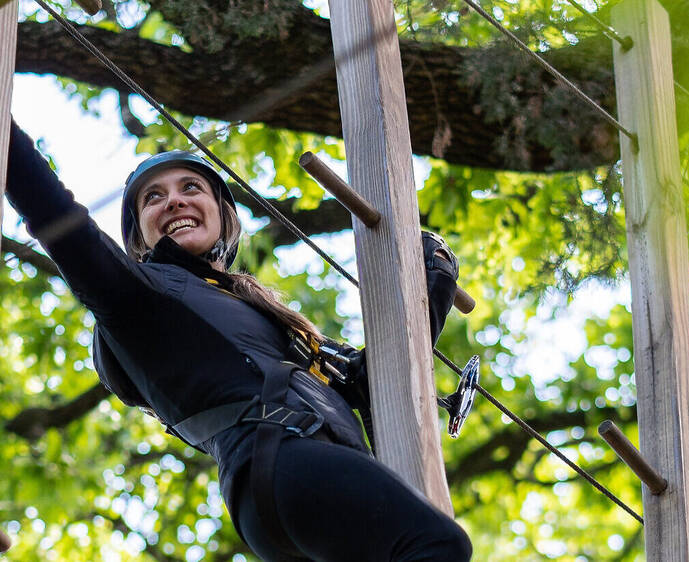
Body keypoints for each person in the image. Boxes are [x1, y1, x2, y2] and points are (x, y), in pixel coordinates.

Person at [5, 119, 473, 562]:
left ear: (223, 218)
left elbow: (378, 385)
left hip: (303, 490)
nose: (174, 201)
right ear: (139, 238)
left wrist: (431, 287)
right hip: (285, 464)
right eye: (153, 197)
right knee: (437, 545)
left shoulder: (262, 323)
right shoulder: (134, 295)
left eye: (191, 188)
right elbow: (51, 209)